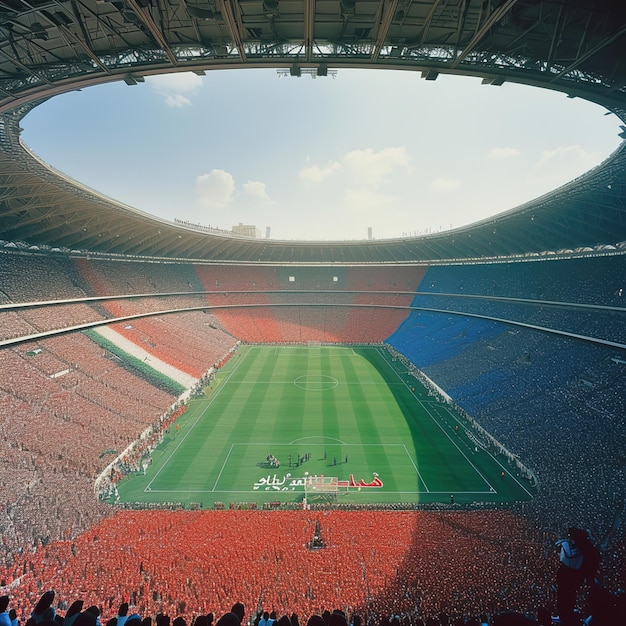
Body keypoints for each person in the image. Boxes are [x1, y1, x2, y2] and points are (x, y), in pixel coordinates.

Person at [556, 527, 599, 626]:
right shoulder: (587, 550)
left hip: (566, 578)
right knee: (569, 597)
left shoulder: (567, 546)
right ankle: (567, 616)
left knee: (564, 598)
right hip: (575, 579)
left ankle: (565, 617)